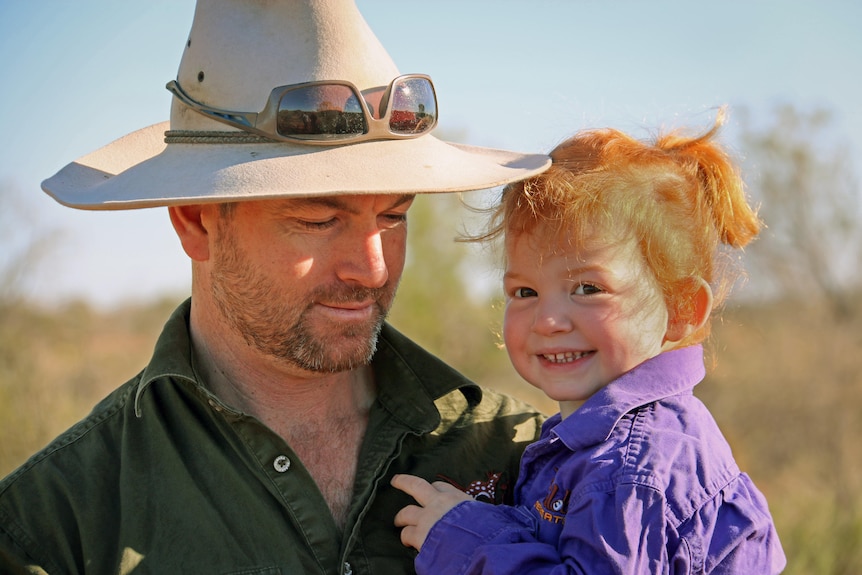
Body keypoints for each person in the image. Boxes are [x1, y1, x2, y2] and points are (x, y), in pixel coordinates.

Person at [0, 1, 551, 573]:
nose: (372, 270)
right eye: (318, 221)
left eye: (393, 216)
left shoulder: (527, 458)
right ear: (195, 221)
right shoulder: (55, 527)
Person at [391, 111, 787, 573]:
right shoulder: (604, 441)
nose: (550, 320)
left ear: (680, 309)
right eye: (525, 292)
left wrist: (464, 539)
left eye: (588, 289)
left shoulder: (633, 467)